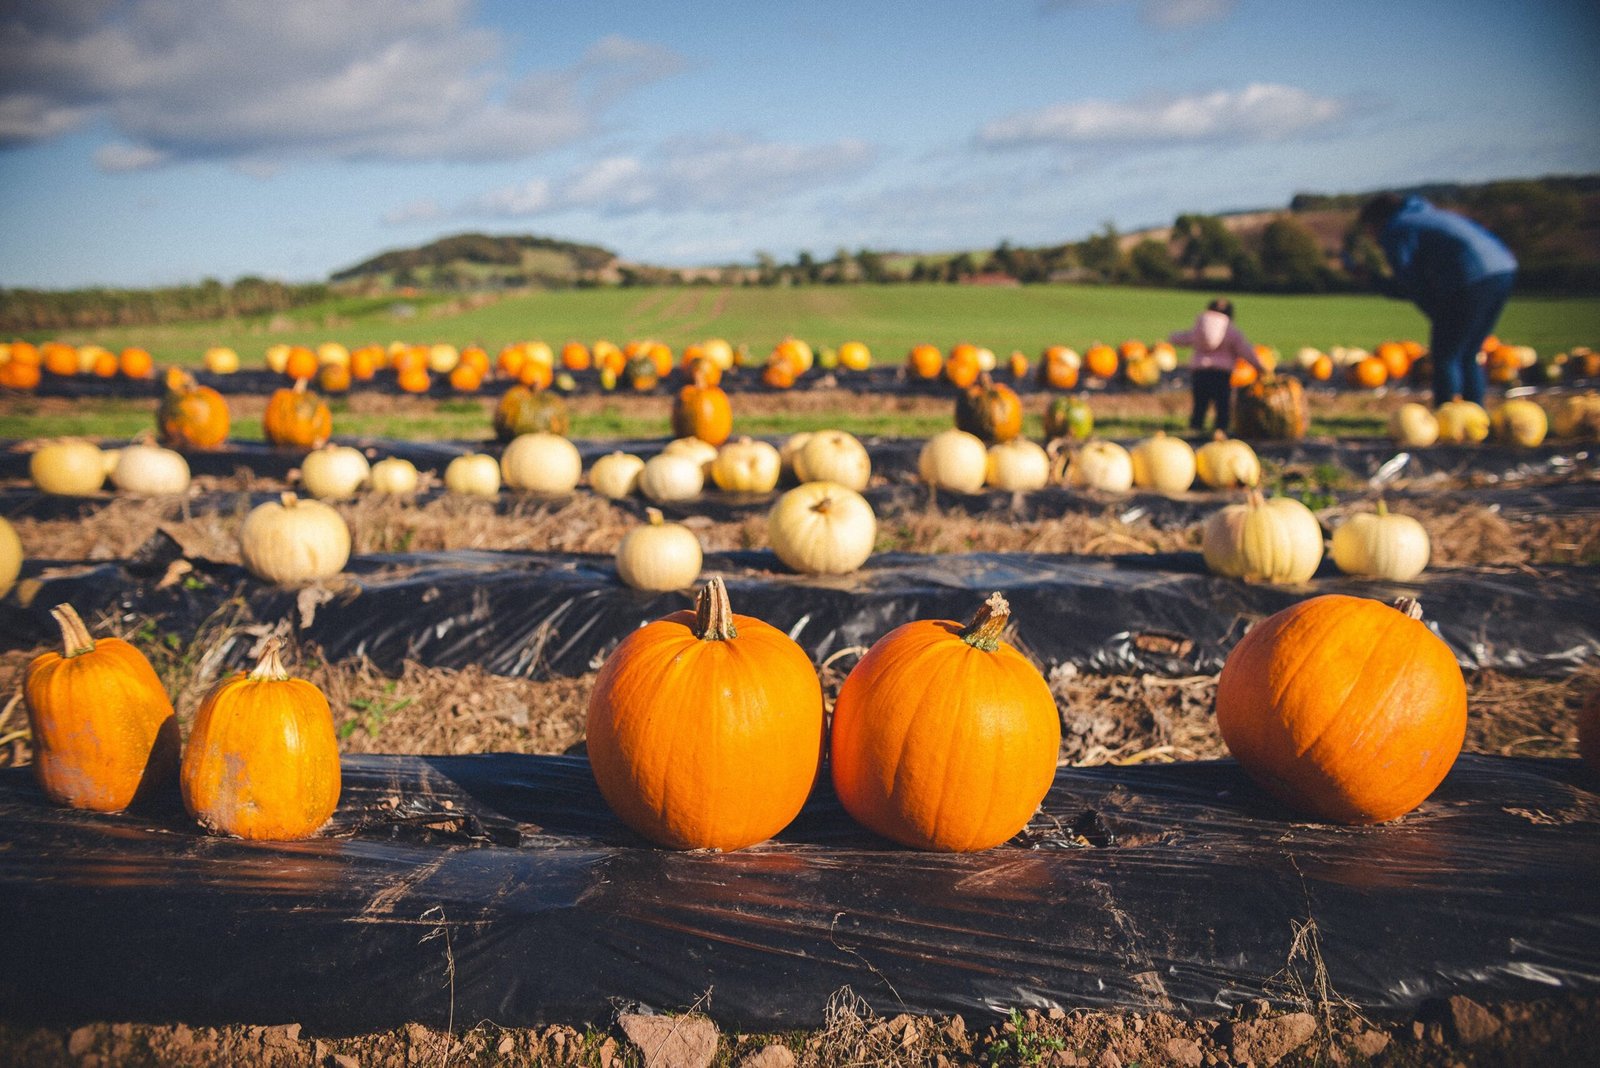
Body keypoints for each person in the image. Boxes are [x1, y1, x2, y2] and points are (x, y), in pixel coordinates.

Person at [1354, 192, 1517, 406]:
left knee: (1446, 355)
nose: (1372, 237)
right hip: (1503, 269)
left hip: (1470, 277)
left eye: (1369, 230)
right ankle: (1475, 413)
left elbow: (1410, 284)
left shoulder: (1396, 229)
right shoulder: (1424, 216)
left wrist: (1372, 280)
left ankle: (1447, 414)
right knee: (1468, 351)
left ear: (1376, 222)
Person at [1168, 298, 1264, 433]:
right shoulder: (1230, 330)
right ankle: (1221, 428)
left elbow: (1186, 338)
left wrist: (1173, 337)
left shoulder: (1200, 327)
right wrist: (1259, 366)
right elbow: (1244, 350)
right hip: (1221, 373)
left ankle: (1196, 426)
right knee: (1222, 403)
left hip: (1200, 371)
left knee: (1200, 402)